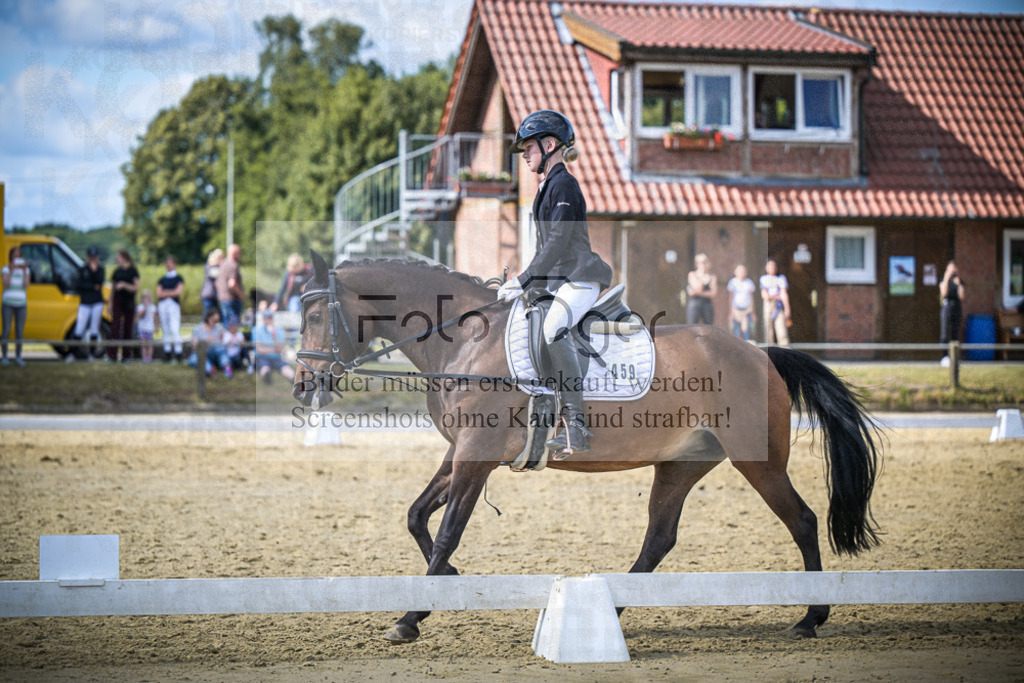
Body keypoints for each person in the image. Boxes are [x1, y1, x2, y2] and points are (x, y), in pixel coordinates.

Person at [498, 109, 613, 458]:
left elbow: (559, 241)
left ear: (549, 145)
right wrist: (528, 283)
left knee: (553, 328)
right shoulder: (548, 186)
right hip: (561, 281)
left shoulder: (564, 184)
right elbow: (544, 248)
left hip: (580, 278)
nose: (524, 155)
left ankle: (576, 427)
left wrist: (524, 279)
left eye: (528, 147)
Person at [69, 246, 105, 361]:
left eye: (95, 257)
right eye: (91, 257)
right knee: (79, 328)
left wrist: (93, 272)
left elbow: (100, 282)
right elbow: (79, 285)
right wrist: (92, 286)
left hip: (97, 302)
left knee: (94, 329)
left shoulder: (100, 269)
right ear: (88, 258)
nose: (93, 259)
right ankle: (72, 353)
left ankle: (92, 354)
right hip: (85, 302)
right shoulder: (83, 269)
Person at [107, 250, 139, 362]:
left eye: (118, 257)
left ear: (124, 258)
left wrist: (124, 285)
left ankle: (126, 356)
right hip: (118, 300)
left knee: (128, 328)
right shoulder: (117, 272)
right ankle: (112, 355)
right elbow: (112, 289)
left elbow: (136, 287)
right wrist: (109, 304)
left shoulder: (133, 271)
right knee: (115, 327)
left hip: (129, 301)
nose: (117, 259)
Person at [2, 245, 30, 366]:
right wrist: (12, 270)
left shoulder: (26, 271)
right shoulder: (5, 269)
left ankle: (18, 356)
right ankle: (4, 357)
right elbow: (5, 284)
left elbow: (26, 285)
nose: (17, 258)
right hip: (8, 303)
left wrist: (24, 271)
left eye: (19, 256)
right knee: (6, 329)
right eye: (15, 256)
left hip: (21, 304)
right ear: (11, 257)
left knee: (19, 331)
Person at [252, 309, 294, 384]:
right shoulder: (256, 330)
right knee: (264, 367)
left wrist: (274, 336)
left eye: (269, 318)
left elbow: (280, 349)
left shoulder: (279, 331)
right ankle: (266, 377)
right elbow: (259, 350)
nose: (268, 320)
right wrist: (274, 350)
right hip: (262, 358)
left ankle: (293, 378)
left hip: (276, 358)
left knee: (286, 368)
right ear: (263, 319)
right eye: (266, 318)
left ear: (272, 318)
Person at [156, 254, 185, 363]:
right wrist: (171, 293)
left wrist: (166, 293)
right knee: (165, 329)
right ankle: (167, 351)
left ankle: (178, 351)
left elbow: (178, 292)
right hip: (163, 305)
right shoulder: (162, 279)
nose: (168, 265)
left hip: (173, 305)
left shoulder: (178, 278)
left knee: (175, 328)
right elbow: (159, 294)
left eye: (170, 263)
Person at [939, 260, 966, 367]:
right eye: (950, 269)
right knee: (944, 334)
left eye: (954, 269)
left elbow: (962, 297)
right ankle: (944, 357)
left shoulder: (959, 281)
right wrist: (946, 279)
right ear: (947, 270)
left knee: (955, 333)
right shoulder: (943, 280)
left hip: (957, 307)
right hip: (947, 307)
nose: (952, 272)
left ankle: (955, 357)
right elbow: (944, 293)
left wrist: (959, 285)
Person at [760, 259, 791, 346]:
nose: (772, 268)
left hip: (778, 305)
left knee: (782, 330)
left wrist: (787, 309)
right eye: (770, 266)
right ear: (766, 268)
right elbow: (764, 295)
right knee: (768, 330)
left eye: (773, 266)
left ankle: (784, 349)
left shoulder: (781, 279)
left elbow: (784, 294)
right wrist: (778, 297)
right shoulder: (763, 279)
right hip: (768, 304)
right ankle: (769, 351)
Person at [188, 307, 225, 376]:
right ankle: (210, 370)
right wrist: (206, 341)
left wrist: (223, 338)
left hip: (213, 354)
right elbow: (194, 348)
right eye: (214, 320)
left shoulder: (218, 329)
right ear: (208, 317)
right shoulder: (198, 329)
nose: (215, 323)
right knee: (195, 359)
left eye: (217, 321)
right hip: (200, 353)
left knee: (221, 350)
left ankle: (227, 367)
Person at [216, 243, 245, 324]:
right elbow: (232, 283)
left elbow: (217, 282)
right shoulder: (233, 264)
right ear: (234, 253)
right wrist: (240, 294)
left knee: (226, 323)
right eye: (239, 252)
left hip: (223, 298)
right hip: (232, 299)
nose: (240, 254)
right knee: (233, 325)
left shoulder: (222, 263)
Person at [727, 264, 757, 341]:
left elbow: (751, 298)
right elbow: (731, 298)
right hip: (736, 310)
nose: (741, 272)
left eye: (743, 271)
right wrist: (731, 313)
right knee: (736, 332)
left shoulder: (749, 283)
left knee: (746, 332)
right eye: (739, 270)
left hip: (747, 310)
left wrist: (753, 313)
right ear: (735, 272)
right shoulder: (732, 282)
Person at [685, 253, 717, 325]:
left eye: (704, 262)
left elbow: (713, 293)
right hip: (695, 303)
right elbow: (698, 288)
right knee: (692, 326)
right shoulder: (692, 274)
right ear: (697, 264)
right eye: (700, 263)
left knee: (709, 327)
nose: (702, 265)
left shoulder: (712, 276)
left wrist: (698, 292)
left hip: (707, 304)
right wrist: (702, 277)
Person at [136, 289, 158, 363]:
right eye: (144, 298)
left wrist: (156, 327)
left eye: (147, 298)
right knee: (143, 344)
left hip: (150, 328)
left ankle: (149, 358)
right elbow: (140, 315)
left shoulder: (153, 307)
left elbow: (155, 318)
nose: (146, 300)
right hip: (142, 328)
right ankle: (144, 358)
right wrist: (145, 308)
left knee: (150, 344)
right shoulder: (140, 307)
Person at [220, 314, 246, 378]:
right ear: (229, 327)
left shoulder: (239, 334)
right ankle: (228, 372)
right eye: (231, 326)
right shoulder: (226, 334)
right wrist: (230, 340)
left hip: (237, 356)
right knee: (227, 362)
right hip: (228, 356)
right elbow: (223, 345)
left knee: (238, 362)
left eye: (235, 326)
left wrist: (239, 340)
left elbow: (244, 344)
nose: (233, 328)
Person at [201, 248, 223, 318]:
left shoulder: (213, 267)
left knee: (214, 314)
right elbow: (216, 275)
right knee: (207, 315)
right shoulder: (210, 267)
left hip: (213, 296)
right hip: (209, 295)